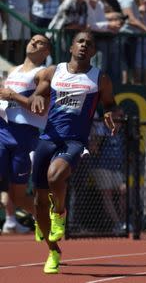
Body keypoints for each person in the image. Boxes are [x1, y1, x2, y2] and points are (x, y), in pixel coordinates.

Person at [29, 31, 118, 274]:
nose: (84, 46)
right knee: (38, 202)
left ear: (93, 52)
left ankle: (59, 212)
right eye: (80, 42)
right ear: (71, 47)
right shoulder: (54, 72)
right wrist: (37, 97)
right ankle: (53, 250)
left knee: (55, 177)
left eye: (89, 44)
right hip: (48, 138)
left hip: (75, 141)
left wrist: (111, 114)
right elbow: (39, 91)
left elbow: (110, 104)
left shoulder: (99, 79)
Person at [0, 34, 51, 232]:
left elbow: (40, 108)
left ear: (46, 52)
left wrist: (11, 94)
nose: (33, 42)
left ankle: (47, 222)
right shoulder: (12, 71)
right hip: (3, 129)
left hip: (25, 135)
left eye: (40, 42)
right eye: (32, 39)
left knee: (18, 197)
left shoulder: (42, 73)